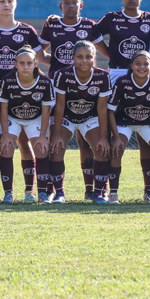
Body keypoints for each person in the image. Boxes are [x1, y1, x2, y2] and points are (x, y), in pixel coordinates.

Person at [95, 0, 150, 201]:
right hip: (117, 75)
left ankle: (149, 189)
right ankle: (110, 191)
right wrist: (110, 54)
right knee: (116, 133)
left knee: (143, 132)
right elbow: (93, 35)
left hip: (142, 74)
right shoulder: (112, 18)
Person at [0, 0, 45, 202]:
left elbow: (42, 58)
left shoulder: (26, 30)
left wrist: (53, 31)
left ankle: (29, 190)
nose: (6, 4)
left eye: (10, 1)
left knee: (25, 143)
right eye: (2, 1)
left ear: (16, 3)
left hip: (21, 97)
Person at [40, 0, 104, 200]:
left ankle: (91, 190)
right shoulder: (52, 25)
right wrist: (56, 64)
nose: (70, 6)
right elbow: (40, 53)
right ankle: (54, 191)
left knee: (87, 142)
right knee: (55, 142)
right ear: (60, 6)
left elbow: (104, 50)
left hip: (85, 91)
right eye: (66, 2)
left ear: (81, 5)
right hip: (60, 88)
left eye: (74, 2)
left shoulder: (90, 26)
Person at [108, 50, 150, 204]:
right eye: (138, 63)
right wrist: (116, 136)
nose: (142, 67)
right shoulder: (122, 82)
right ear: (131, 65)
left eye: (146, 64)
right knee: (116, 149)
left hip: (149, 123)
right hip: (123, 122)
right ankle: (112, 194)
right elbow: (110, 110)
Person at [50, 40, 111, 204]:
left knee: (102, 149)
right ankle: (59, 193)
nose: (84, 60)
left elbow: (102, 108)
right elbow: (60, 106)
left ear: (95, 57)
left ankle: (98, 193)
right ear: (73, 58)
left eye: (88, 57)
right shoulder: (63, 74)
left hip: (89, 118)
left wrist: (104, 136)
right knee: (56, 149)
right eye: (80, 57)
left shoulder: (103, 76)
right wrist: (56, 134)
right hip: (67, 117)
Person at [0, 46, 55, 203]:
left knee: (41, 148)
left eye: (29, 63)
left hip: (35, 118)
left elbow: (46, 112)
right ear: (15, 64)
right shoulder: (8, 81)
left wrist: (43, 137)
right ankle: (8, 193)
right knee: (6, 146)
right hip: (13, 117)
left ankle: (39, 192)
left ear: (35, 63)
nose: (25, 67)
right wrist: (4, 134)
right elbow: (3, 109)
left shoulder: (44, 83)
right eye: (21, 63)